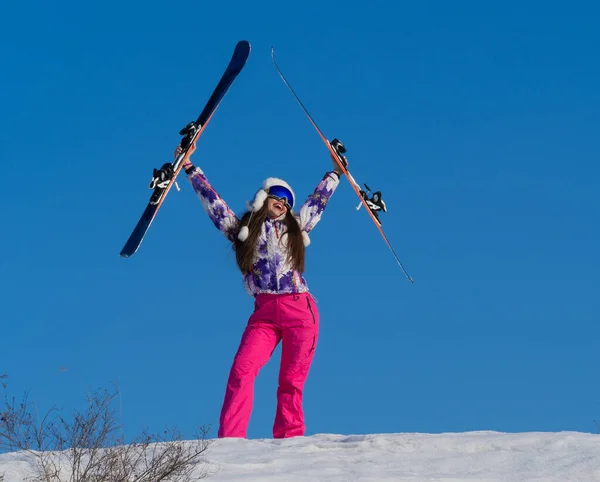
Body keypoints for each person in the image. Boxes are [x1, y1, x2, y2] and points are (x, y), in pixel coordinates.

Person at [176, 140, 345, 439]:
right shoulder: (243, 230)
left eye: (289, 201)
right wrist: (189, 168)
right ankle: (230, 439)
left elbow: (317, 203)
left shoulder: (295, 226)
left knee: (291, 381)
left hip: (299, 309)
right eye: (279, 195)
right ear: (264, 196)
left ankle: (290, 441)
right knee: (242, 371)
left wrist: (335, 174)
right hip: (264, 313)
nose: (284, 202)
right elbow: (214, 206)